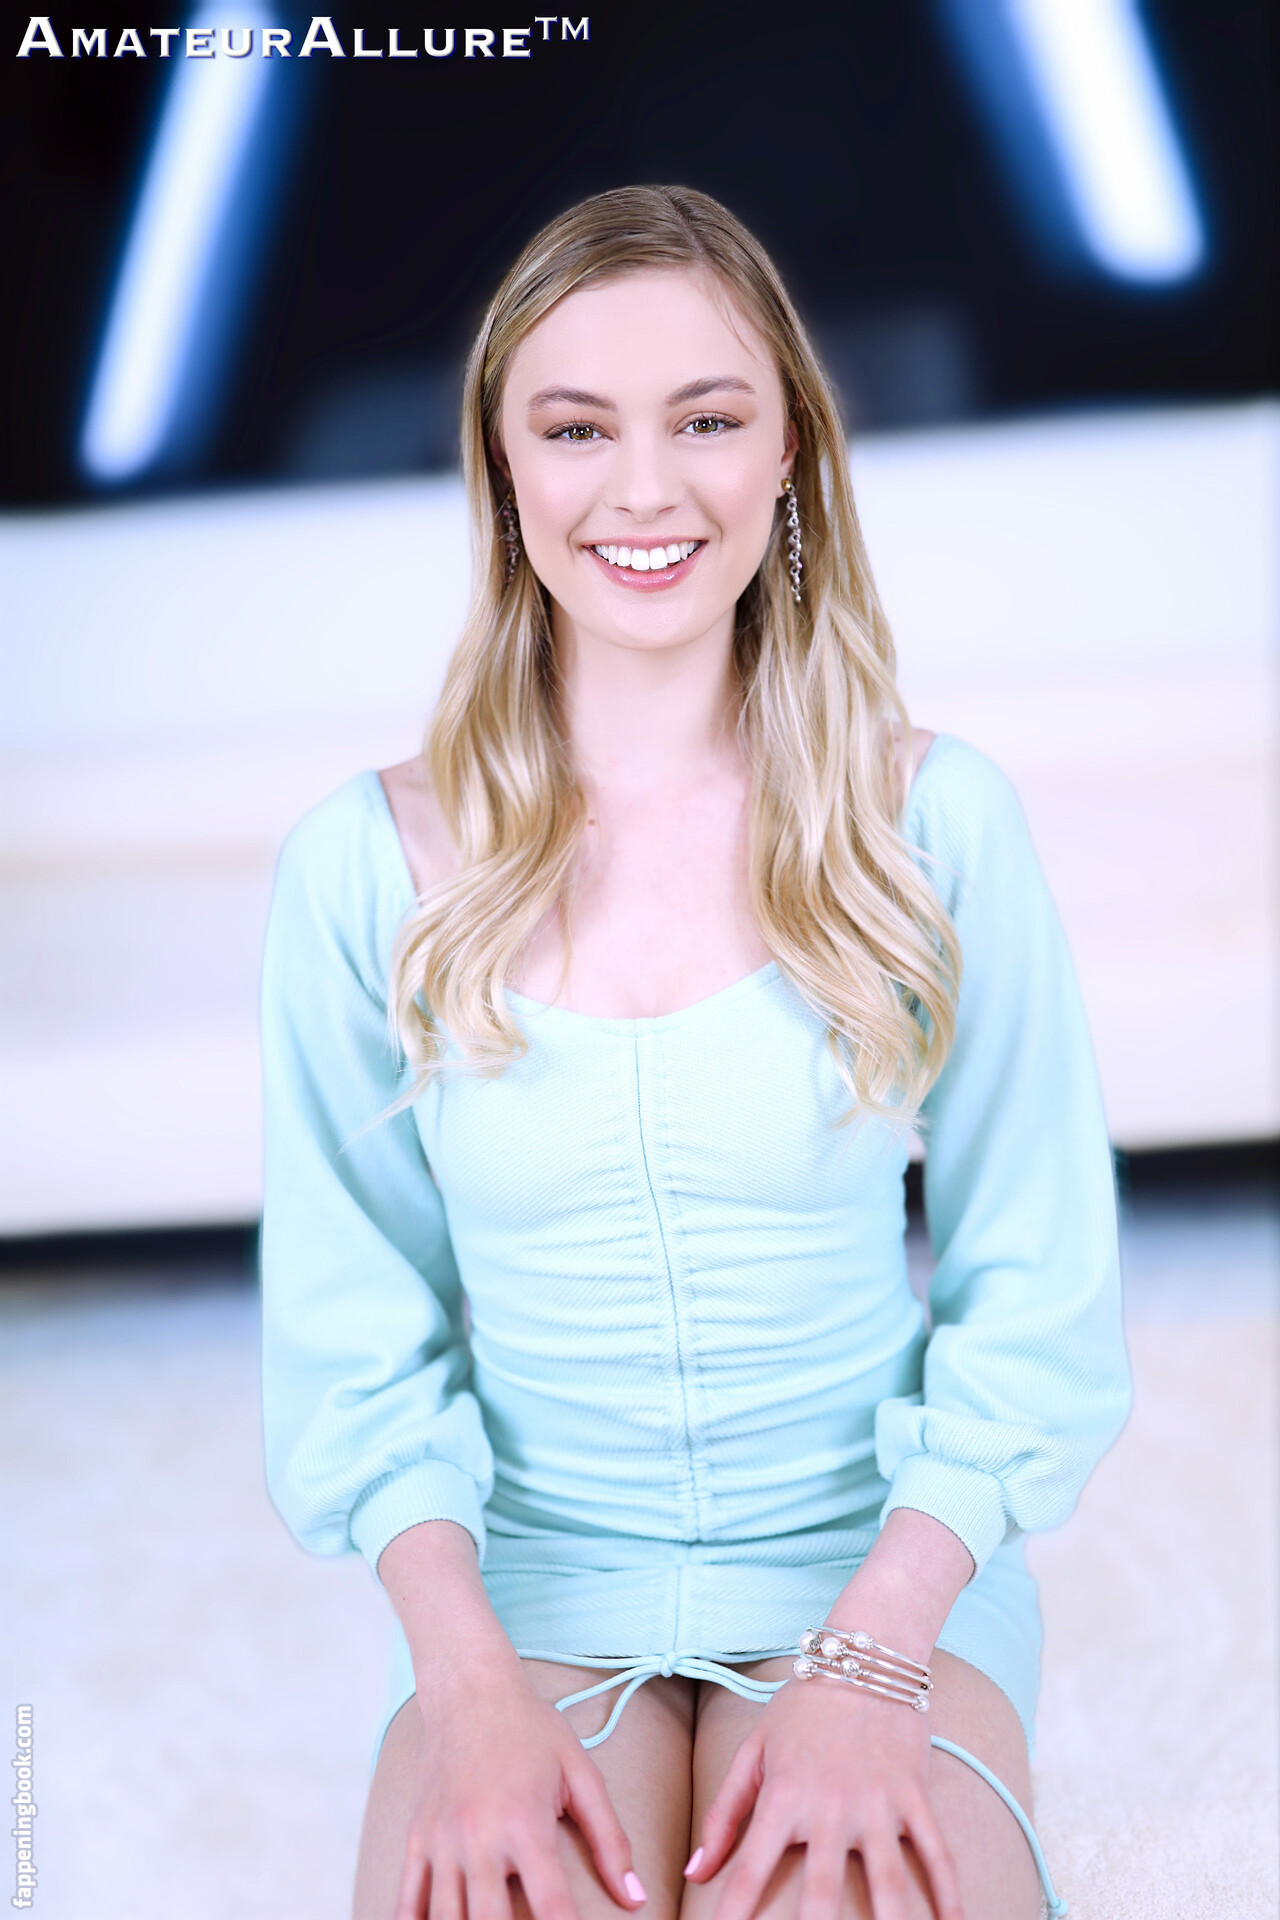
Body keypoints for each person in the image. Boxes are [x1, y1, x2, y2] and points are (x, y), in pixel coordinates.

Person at [258, 185, 1132, 1920]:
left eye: (709, 420)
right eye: (576, 427)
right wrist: (468, 1690)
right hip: (524, 1600)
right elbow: (356, 1349)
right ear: (502, 466)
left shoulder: (934, 826)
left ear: (790, 446)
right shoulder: (360, 869)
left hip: (875, 1578)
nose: (644, 489)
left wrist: (873, 1661)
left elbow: (1040, 1292)